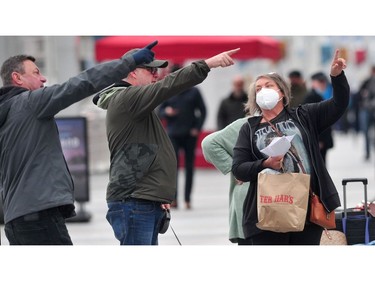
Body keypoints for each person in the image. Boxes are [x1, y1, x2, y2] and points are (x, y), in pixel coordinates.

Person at [0, 41, 158, 245]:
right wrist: (128, 63)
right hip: (39, 217)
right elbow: (81, 83)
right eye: (36, 72)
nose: (43, 77)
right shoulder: (30, 102)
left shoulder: (7, 113)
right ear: (17, 78)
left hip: (15, 219)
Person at [92, 46, 240, 245]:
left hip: (143, 198)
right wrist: (207, 64)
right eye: (150, 70)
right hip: (134, 200)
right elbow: (168, 86)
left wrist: (158, 193)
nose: (156, 75)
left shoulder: (132, 100)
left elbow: (148, 150)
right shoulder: (127, 98)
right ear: (131, 73)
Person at [232, 49, 349, 245]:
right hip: (267, 212)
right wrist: (265, 163)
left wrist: (337, 77)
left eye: (269, 86)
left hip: (305, 210)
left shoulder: (304, 116)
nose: (263, 91)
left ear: (282, 92)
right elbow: (239, 169)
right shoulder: (249, 129)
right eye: (258, 89)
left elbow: (339, 104)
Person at [202, 104, 256, 244]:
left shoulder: (291, 122)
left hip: (280, 201)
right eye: (260, 88)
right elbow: (209, 144)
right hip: (249, 201)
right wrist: (235, 169)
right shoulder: (246, 124)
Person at [158, 64, 207, 209]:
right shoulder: (169, 91)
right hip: (173, 133)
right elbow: (160, 111)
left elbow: (203, 111)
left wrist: (197, 128)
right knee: (173, 167)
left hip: (189, 134)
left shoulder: (194, 91)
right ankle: (173, 199)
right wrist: (167, 112)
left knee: (189, 167)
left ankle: (187, 198)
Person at [303, 72, 334, 164]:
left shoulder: (321, 95)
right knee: (320, 164)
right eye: (320, 82)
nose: (323, 85)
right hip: (318, 138)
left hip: (322, 137)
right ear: (313, 83)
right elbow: (313, 121)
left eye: (323, 82)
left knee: (323, 163)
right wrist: (318, 140)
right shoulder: (311, 97)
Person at [357, 65, 375, 161]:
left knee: (367, 132)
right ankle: (367, 152)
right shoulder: (367, 82)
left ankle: (368, 152)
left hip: (367, 110)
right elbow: (360, 95)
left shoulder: (367, 82)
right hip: (367, 110)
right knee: (366, 132)